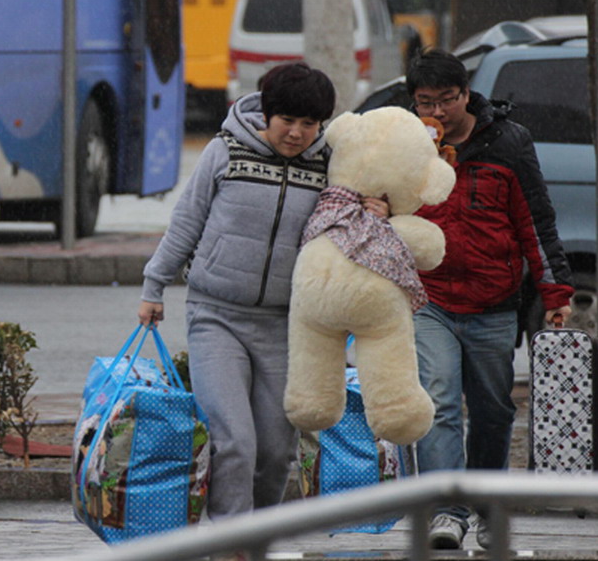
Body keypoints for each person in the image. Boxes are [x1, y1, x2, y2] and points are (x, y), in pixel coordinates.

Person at [137, 62, 389, 530]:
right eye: (286, 120)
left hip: (286, 325)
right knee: (234, 440)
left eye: (308, 123)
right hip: (216, 316)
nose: (296, 133)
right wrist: (155, 284)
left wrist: (381, 207)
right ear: (266, 113)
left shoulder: (329, 166)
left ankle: (256, 535)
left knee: (276, 450)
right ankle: (232, 542)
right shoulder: (226, 150)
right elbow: (186, 221)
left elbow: (355, 223)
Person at [406, 49, 574, 550]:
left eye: (446, 101)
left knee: (494, 410)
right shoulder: (406, 144)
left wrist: (555, 292)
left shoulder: (508, 142)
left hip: (495, 304)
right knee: (437, 402)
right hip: (428, 298)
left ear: (465, 93)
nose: (435, 114)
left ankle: (485, 507)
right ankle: (446, 511)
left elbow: (537, 224)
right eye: (424, 103)